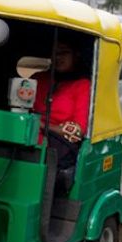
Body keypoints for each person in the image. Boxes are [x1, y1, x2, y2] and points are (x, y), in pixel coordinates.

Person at [33, 40, 91, 169]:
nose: (58, 57)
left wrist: (43, 125)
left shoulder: (82, 85)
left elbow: (77, 132)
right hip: (29, 137)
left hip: (58, 146)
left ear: (76, 55)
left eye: (64, 53)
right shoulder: (38, 78)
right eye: (55, 53)